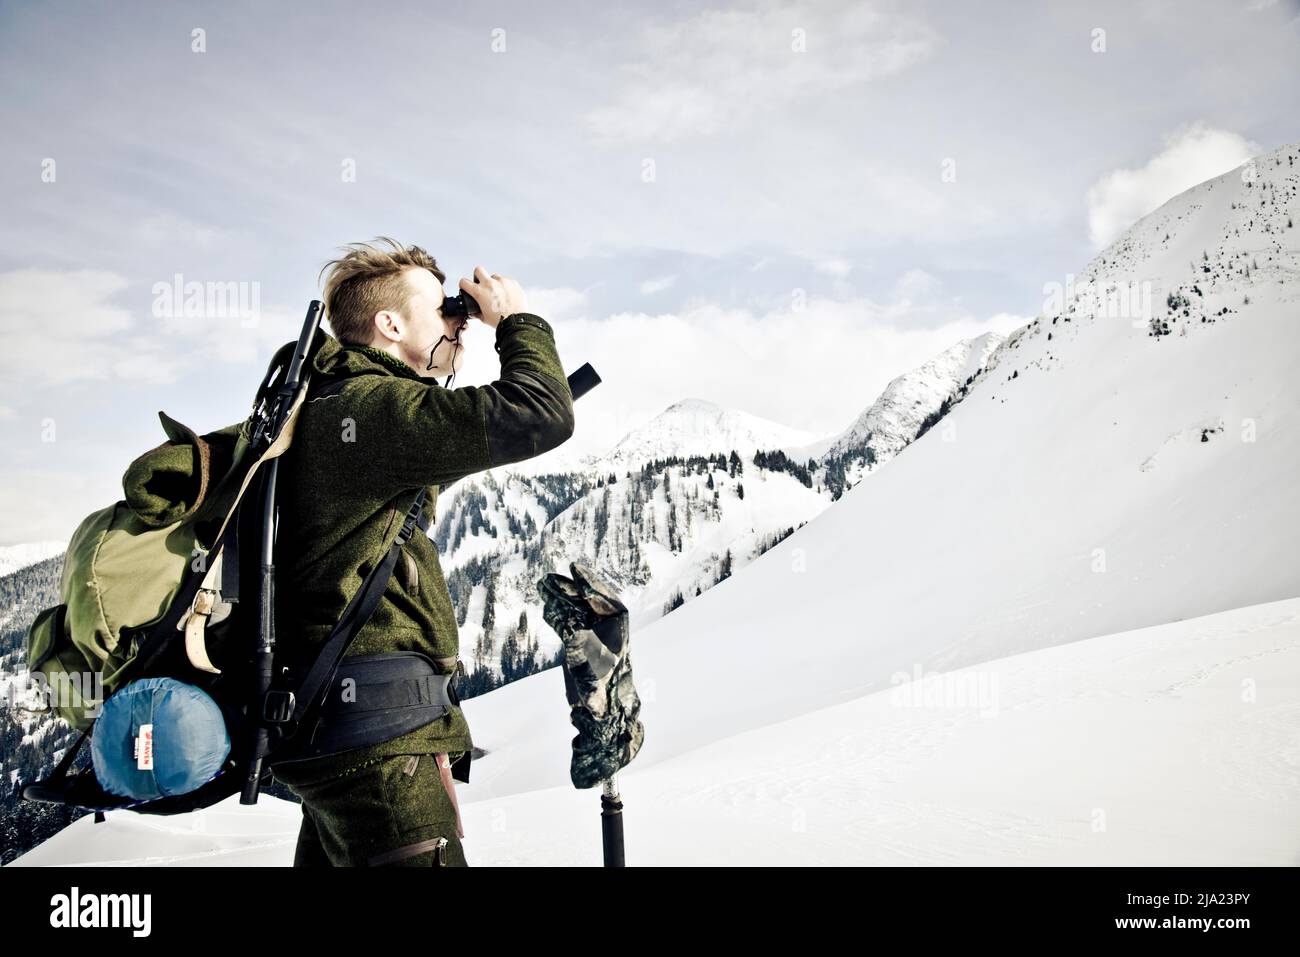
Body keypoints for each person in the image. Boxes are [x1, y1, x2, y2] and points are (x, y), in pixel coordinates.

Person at [268, 237, 575, 866]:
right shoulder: (372, 406)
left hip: (338, 736)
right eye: (442, 310)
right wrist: (515, 321)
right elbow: (541, 413)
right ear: (388, 323)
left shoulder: (325, 406)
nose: (456, 322)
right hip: (381, 751)